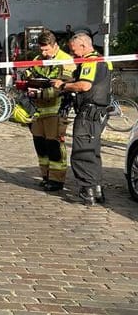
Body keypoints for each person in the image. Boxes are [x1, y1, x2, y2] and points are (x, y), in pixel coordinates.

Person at [52, 32, 111, 205]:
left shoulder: (90, 60)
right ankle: (96, 189)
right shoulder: (103, 60)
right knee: (93, 151)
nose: (72, 54)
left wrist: (63, 85)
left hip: (88, 113)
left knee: (82, 152)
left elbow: (84, 85)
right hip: (99, 113)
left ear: (84, 46)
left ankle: (88, 191)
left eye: (74, 49)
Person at [21, 31, 76, 191]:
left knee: (54, 146)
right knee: (40, 145)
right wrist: (24, 80)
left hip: (56, 109)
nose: (43, 53)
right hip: (38, 110)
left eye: (46, 50)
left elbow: (63, 86)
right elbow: (29, 73)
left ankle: (57, 179)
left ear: (55, 46)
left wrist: (40, 93)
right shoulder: (39, 60)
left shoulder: (65, 61)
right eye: (41, 50)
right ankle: (45, 176)